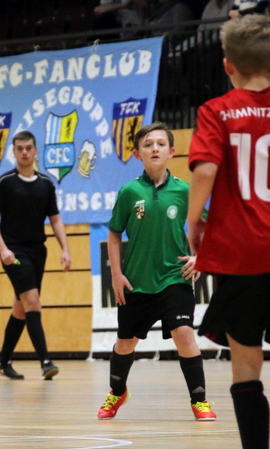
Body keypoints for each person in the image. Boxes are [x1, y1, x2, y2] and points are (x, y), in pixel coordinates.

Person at [187, 14, 270, 449]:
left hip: (239, 255)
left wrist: (193, 222)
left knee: (247, 365)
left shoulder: (217, 111)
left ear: (226, 65)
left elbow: (206, 169)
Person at [96, 122, 216, 422]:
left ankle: (200, 401)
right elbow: (114, 234)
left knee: (184, 334)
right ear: (137, 154)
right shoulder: (129, 192)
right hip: (136, 282)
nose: (154, 148)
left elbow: (210, 227)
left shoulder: (184, 191)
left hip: (174, 278)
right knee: (125, 343)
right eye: (148, 144)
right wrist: (116, 275)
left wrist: (200, 257)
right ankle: (117, 392)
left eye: (161, 144)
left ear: (171, 152)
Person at [0, 130, 71, 381]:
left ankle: (2, 362)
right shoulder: (5, 182)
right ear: (14, 152)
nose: (24, 152)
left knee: (22, 308)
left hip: (38, 252)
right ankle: (46, 362)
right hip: (14, 252)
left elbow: (55, 220)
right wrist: (3, 249)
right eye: (19, 148)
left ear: (35, 151)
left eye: (28, 148)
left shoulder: (46, 184)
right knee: (32, 302)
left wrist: (65, 249)